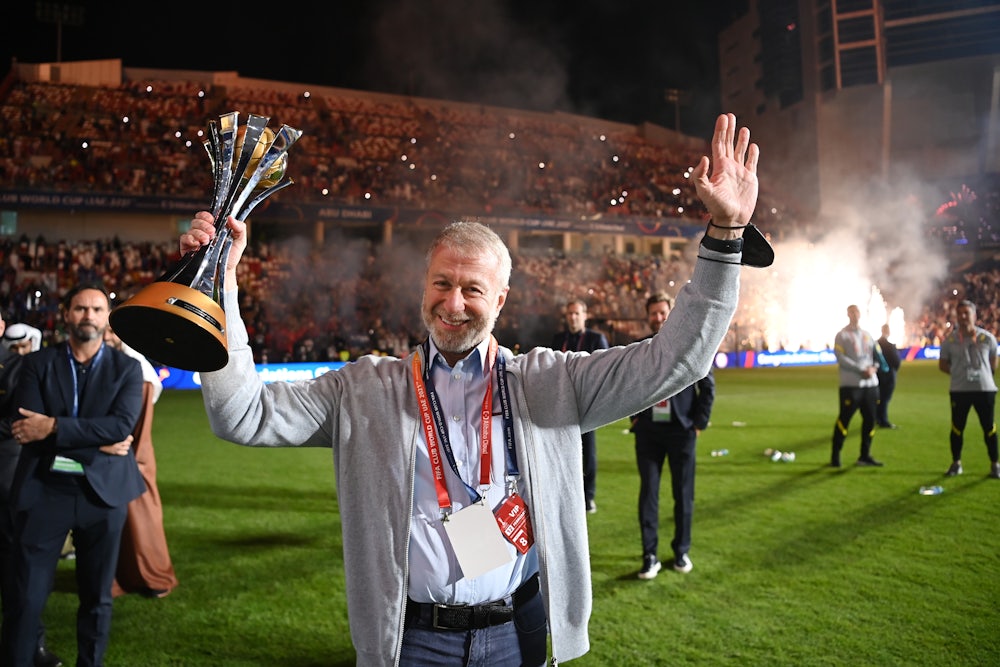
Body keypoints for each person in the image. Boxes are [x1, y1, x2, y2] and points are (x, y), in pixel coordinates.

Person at [179, 112, 764, 666]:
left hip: (517, 633)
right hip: (411, 641)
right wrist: (220, 286)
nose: (453, 303)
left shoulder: (552, 381)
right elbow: (242, 414)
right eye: (442, 283)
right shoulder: (365, 389)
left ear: (501, 299)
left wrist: (726, 234)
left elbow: (677, 359)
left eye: (473, 289)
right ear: (424, 286)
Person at [3, 284, 146, 667]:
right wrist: (96, 442)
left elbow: (120, 427)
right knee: (26, 597)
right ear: (66, 314)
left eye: (97, 309)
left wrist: (54, 427)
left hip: (102, 496)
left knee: (97, 597)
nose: (89, 316)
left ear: (106, 317)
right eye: (81, 308)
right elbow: (26, 428)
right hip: (44, 490)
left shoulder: (127, 369)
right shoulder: (37, 364)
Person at [630, 293, 715, 580]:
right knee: (649, 495)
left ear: (671, 313)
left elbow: (708, 386)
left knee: (683, 495)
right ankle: (649, 555)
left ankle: (681, 550)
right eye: (653, 313)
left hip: (681, 432)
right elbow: (628, 385)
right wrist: (635, 417)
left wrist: (697, 424)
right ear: (648, 316)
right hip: (649, 433)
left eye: (662, 312)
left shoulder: (691, 343)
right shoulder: (640, 347)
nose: (658, 318)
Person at [0, 320, 63, 667]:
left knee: (18, 570)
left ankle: (27, 645)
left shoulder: (25, 365)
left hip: (8, 480)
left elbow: (24, 419)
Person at [103, 326, 179, 598]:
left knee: (140, 511)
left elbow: (138, 430)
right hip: (114, 455)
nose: (106, 336)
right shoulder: (112, 360)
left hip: (131, 456)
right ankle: (120, 575)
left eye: (111, 331)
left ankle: (152, 576)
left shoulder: (138, 370)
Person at [550, 298, 609, 513]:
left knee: (588, 452)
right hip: (562, 403)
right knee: (561, 451)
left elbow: (605, 369)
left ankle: (588, 496)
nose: (573, 317)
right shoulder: (558, 339)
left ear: (585, 316)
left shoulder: (596, 339)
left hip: (586, 403)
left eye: (577, 313)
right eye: (570, 314)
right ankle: (564, 496)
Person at [938, 300, 1000, 479]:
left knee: (989, 427)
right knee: (957, 428)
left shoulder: (987, 338)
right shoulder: (950, 341)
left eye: (966, 313)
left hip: (984, 389)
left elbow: (993, 363)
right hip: (959, 390)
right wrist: (958, 373)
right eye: (960, 314)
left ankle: (995, 464)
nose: (963, 317)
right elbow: (942, 364)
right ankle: (956, 463)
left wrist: (983, 374)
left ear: (974, 315)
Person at [830, 304, 884, 468]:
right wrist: (861, 369)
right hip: (851, 385)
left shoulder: (867, 335)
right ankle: (835, 456)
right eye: (851, 312)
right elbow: (840, 357)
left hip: (871, 385)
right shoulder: (842, 335)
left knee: (870, 420)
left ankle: (864, 456)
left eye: (856, 312)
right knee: (844, 420)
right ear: (848, 314)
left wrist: (874, 368)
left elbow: (877, 356)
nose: (854, 315)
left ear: (860, 314)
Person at [875, 323, 901, 429]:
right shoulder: (890, 346)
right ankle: (883, 420)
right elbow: (896, 362)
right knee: (885, 399)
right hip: (889, 376)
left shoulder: (875, 344)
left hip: (877, 375)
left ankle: (877, 418)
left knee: (879, 397)